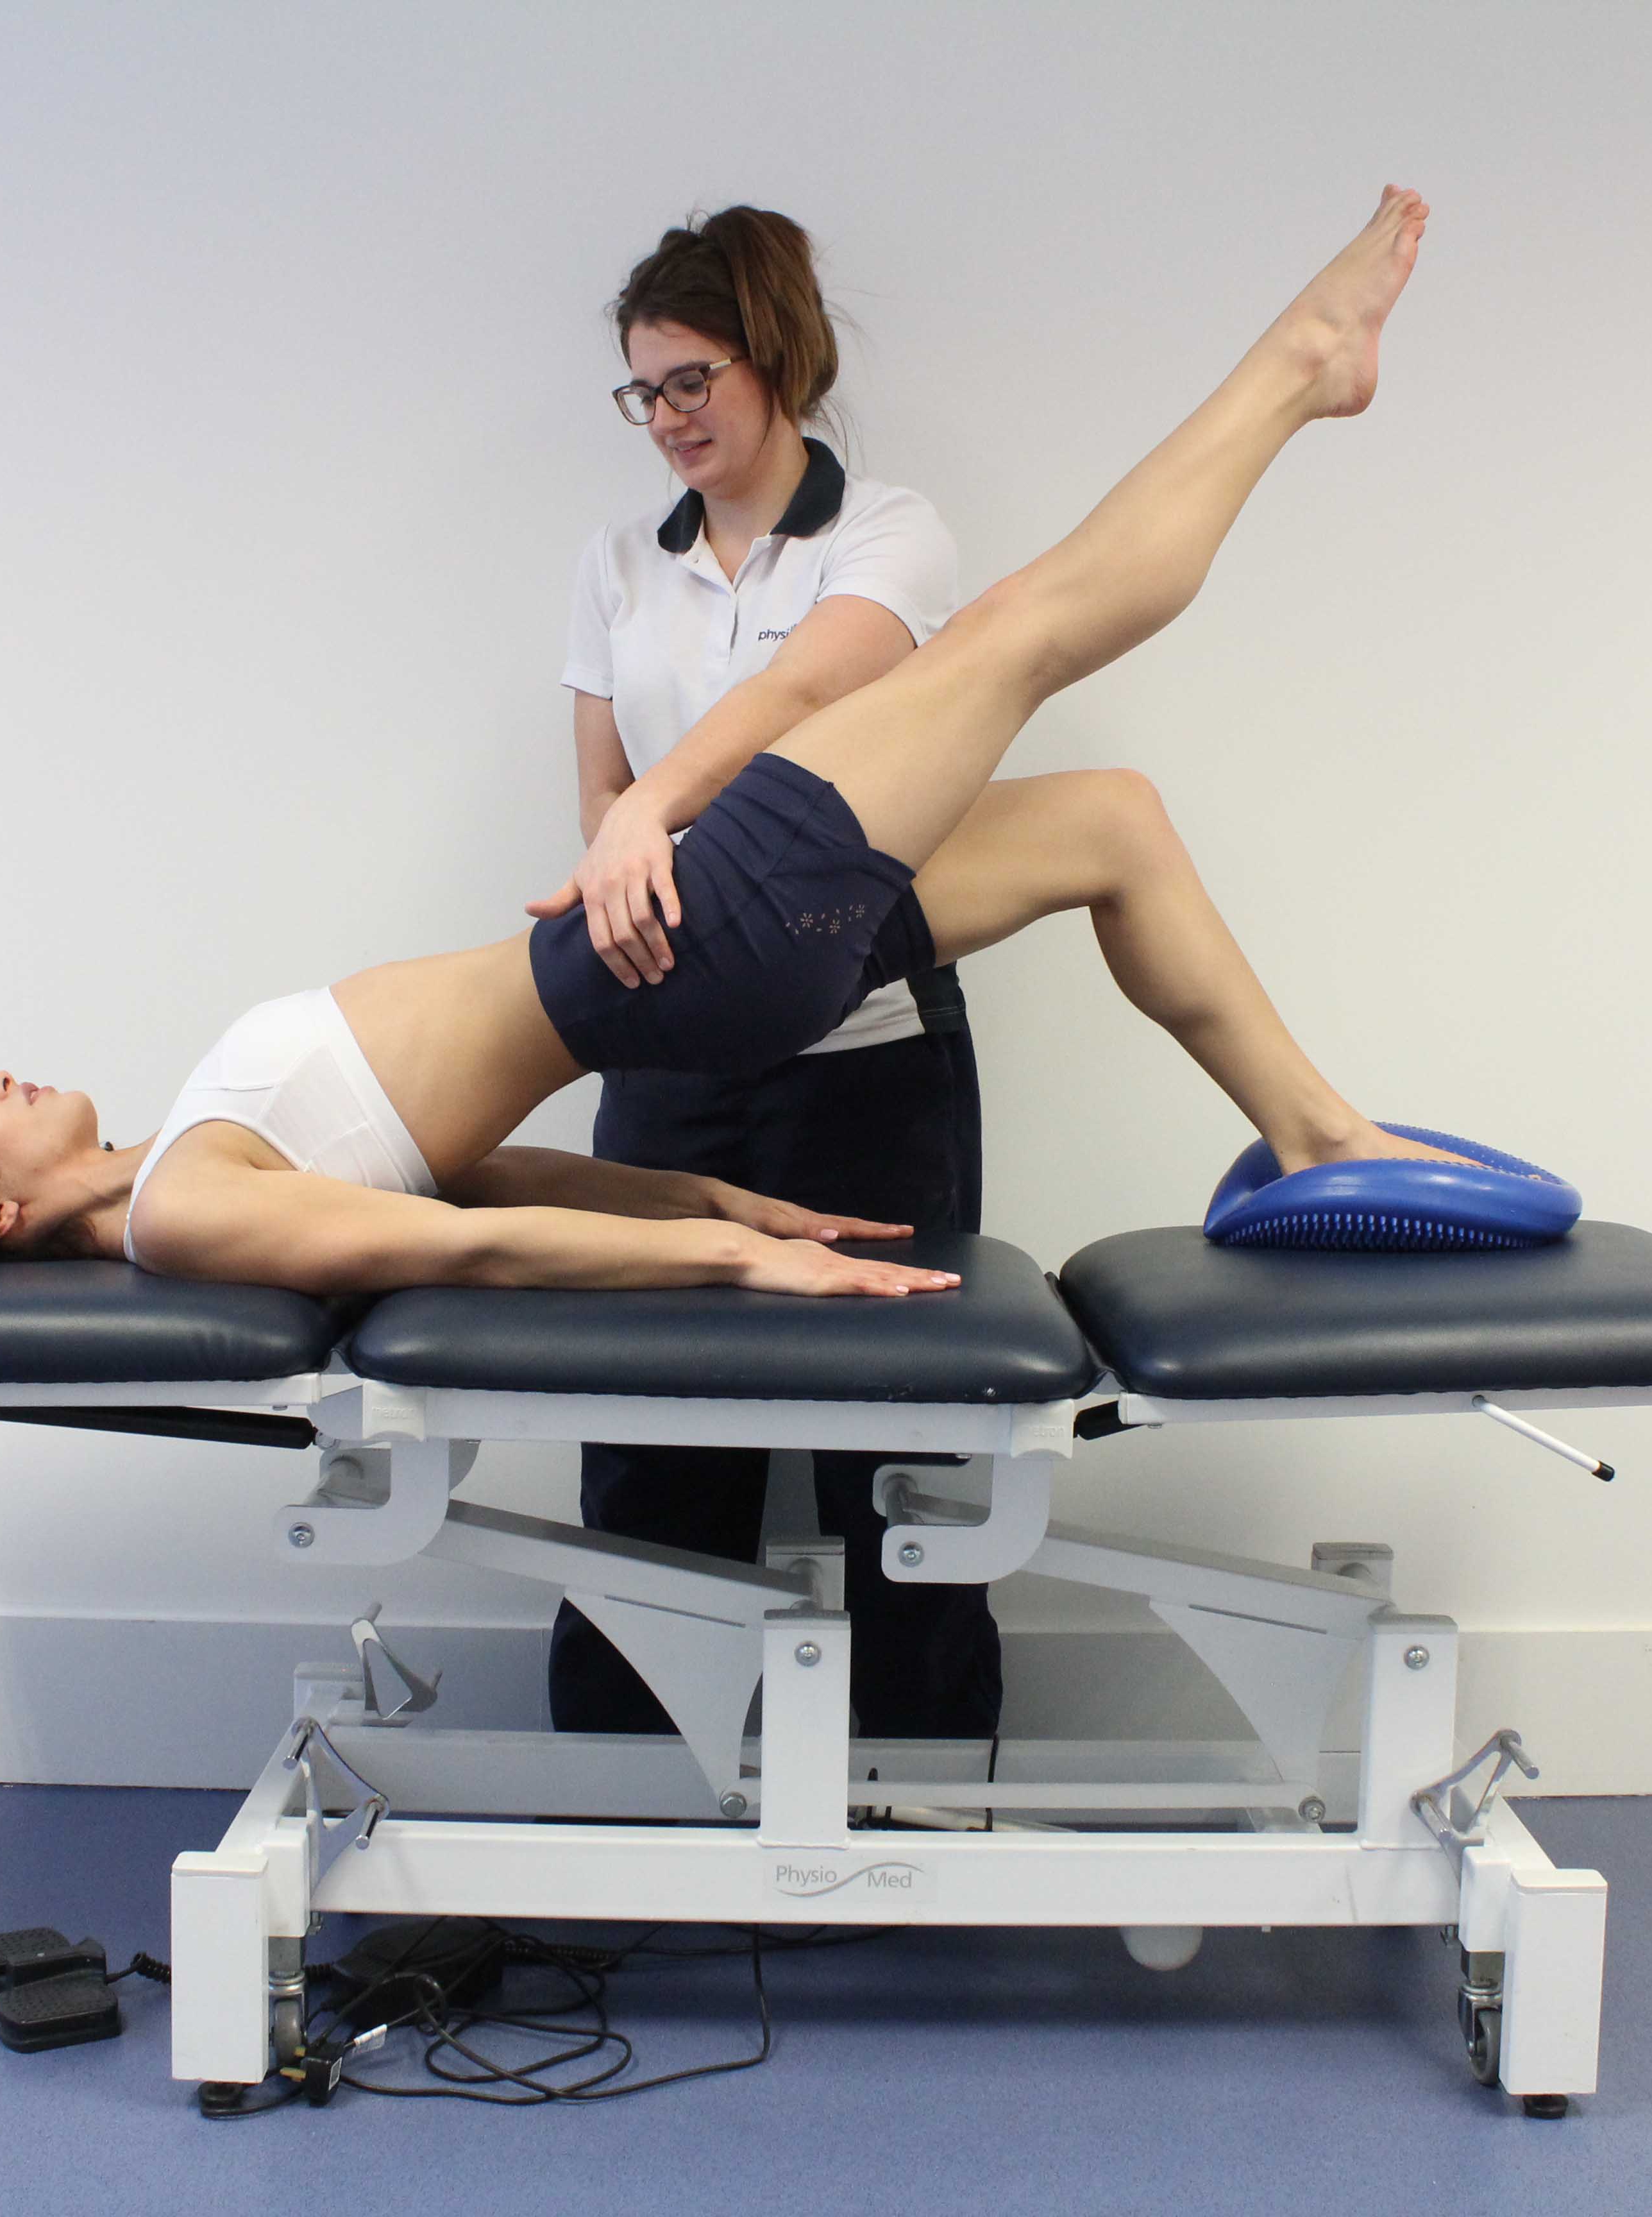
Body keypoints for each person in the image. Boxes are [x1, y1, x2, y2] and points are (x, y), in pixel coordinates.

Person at [0, 188, 1458, 1327]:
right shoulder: (182, 1211)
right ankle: (1306, 366)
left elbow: (475, 1190)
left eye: (695, 379)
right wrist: (744, 1267)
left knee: (1108, 815)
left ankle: (1318, 1130)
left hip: (688, 956)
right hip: (688, 957)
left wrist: (710, 1206)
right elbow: (468, 1261)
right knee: (1037, 626)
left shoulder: (186, 1164)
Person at [532, 208, 991, 1740]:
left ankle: (929, 1800)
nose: (666, 421)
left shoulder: (889, 534)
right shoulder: (614, 563)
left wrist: (664, 814)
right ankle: (627, 1797)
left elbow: (810, 690)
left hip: (867, 1058)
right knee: (650, 1449)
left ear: (777, 355)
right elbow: (602, 791)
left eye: (691, 382)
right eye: (642, 394)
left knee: (898, 1447)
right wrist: (624, 868)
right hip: (671, 1056)